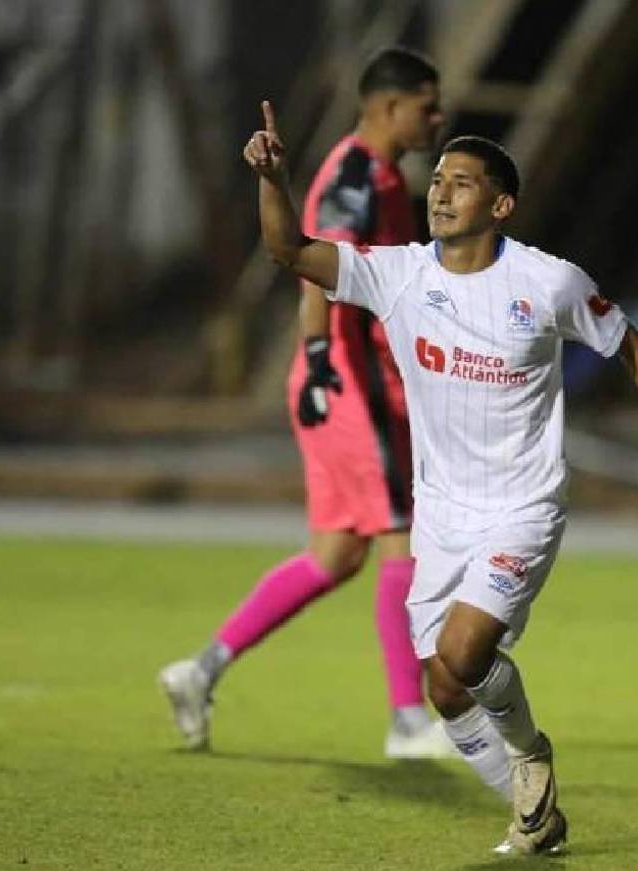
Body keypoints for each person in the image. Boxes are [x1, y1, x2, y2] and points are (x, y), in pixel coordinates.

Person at [243, 101, 638, 855]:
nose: (440, 192)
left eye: (460, 183)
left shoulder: (547, 282)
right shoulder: (397, 275)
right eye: (436, 180)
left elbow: (631, 346)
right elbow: (289, 252)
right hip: (441, 515)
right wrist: (273, 180)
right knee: (443, 689)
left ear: (499, 205)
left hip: (521, 508)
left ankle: (530, 753)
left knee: (464, 654)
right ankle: (535, 814)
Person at [159, 47, 451, 759]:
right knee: (399, 534)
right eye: (426, 104)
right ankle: (409, 721)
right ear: (388, 107)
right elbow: (319, 265)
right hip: (349, 378)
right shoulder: (357, 174)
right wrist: (321, 358)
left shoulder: (382, 174)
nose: (435, 118)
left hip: (348, 377)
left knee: (335, 554)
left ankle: (198, 673)